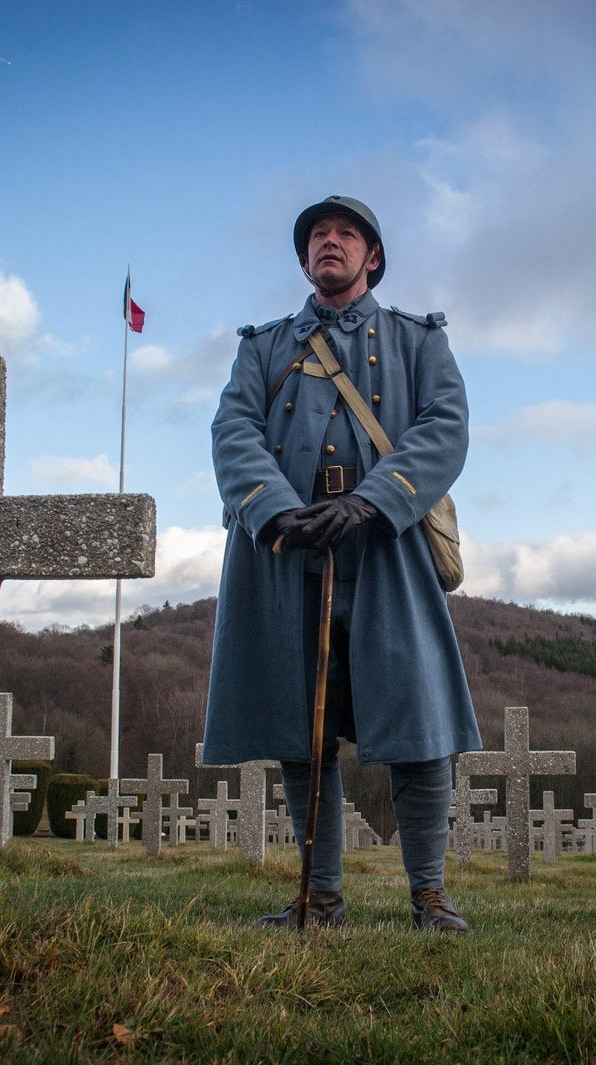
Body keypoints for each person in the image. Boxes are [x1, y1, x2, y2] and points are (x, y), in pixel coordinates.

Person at [202, 195, 481, 932]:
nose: (329, 242)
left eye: (345, 234)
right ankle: (319, 899)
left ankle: (429, 896)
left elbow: (445, 429)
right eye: (318, 236)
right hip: (291, 552)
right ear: (304, 260)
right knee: (303, 728)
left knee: (417, 724)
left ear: (372, 257)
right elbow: (233, 428)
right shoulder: (262, 347)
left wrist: (371, 501)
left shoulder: (419, 342)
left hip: (386, 547)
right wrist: (272, 508)